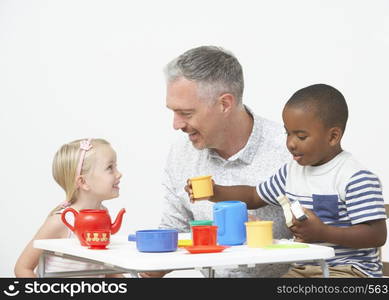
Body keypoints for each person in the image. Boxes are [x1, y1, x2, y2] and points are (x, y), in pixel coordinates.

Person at [187, 83, 387, 277]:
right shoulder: (291, 172)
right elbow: (254, 195)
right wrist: (215, 192)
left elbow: (376, 235)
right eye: (288, 133)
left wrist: (324, 232)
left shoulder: (354, 177)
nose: (290, 143)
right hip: (304, 269)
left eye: (301, 136)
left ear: (333, 136)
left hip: (350, 271)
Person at [142, 46, 292, 278]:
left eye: (186, 113)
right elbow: (175, 231)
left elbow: (322, 239)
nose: (176, 124)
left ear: (225, 104)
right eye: (174, 112)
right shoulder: (182, 155)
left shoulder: (290, 152)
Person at [14, 138, 124, 277]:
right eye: (110, 167)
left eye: (116, 166)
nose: (119, 174)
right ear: (83, 182)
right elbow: (23, 268)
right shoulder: (59, 222)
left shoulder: (103, 213)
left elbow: (103, 266)